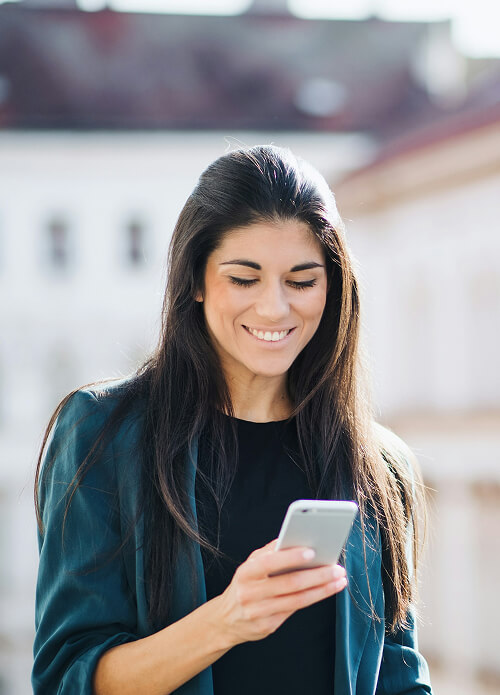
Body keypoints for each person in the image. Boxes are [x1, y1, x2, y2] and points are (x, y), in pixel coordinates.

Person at [32, 145, 433, 695]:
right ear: (196, 282)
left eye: (302, 280)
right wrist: (226, 621)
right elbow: (66, 678)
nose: (275, 308)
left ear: (333, 287)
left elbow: (399, 677)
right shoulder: (103, 435)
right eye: (244, 279)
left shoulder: (377, 464)